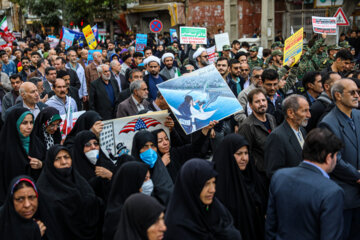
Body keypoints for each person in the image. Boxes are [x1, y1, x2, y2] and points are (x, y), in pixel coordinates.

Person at [266, 128, 344, 240]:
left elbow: (270, 227)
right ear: (328, 158)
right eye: (336, 155)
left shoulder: (279, 177)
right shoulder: (332, 192)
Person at [319, 79, 360, 240]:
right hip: (346, 196)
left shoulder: (358, 115)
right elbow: (335, 159)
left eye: (358, 91)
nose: (357, 96)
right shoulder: (328, 123)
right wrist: (357, 176)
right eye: (352, 92)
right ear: (338, 95)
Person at [164, 158, 241, 239]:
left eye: (213, 182)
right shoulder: (176, 228)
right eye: (206, 184)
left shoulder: (215, 208)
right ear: (191, 187)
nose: (212, 190)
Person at [36, 145, 101, 240]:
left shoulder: (80, 181)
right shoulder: (43, 189)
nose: (63, 162)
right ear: (50, 163)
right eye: (57, 159)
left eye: (66, 157)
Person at [213, 134, 267, 240]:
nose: (244, 158)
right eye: (239, 154)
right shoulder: (219, 187)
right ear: (228, 155)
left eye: (246, 153)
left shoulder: (254, 179)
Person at [0, 108, 45, 204]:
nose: (29, 127)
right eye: (24, 123)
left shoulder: (38, 144)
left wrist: (41, 164)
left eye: (31, 123)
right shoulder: (4, 148)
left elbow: (48, 168)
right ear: (15, 124)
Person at [264, 94, 310, 178]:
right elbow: (274, 172)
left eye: (308, 110)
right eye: (304, 111)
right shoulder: (277, 137)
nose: (309, 115)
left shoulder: (302, 131)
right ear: (290, 113)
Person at [103, 161, 149, 240]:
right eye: (144, 179)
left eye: (149, 178)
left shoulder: (144, 205)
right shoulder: (118, 216)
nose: (149, 183)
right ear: (132, 182)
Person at [239, 88, 277, 176]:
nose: (262, 104)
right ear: (251, 105)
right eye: (257, 102)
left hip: (275, 167)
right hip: (261, 172)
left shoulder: (271, 118)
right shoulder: (247, 126)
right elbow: (246, 153)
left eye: (263, 100)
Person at [131, 130, 174, 205]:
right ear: (138, 149)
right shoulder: (132, 172)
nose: (150, 151)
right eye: (145, 146)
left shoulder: (160, 168)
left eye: (153, 146)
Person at [71, 130, 115, 201]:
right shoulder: (73, 171)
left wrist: (110, 176)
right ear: (80, 148)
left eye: (96, 144)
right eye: (88, 145)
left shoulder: (107, 165)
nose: (93, 147)